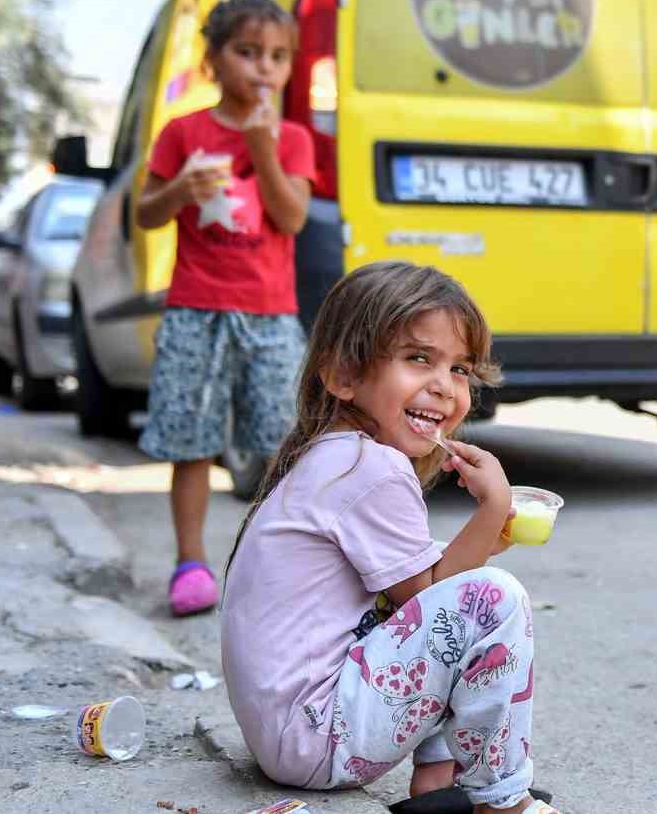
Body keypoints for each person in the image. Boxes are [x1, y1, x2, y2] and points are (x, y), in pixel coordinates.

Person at [220, 262, 559, 814]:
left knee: (453, 606)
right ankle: (502, 802)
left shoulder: (337, 455)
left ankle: (437, 781)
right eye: (418, 358)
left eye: (460, 369)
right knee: (492, 599)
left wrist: (484, 539)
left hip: (292, 734)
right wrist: (495, 505)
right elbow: (428, 600)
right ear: (343, 377)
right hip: (315, 736)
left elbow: (417, 599)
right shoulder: (369, 467)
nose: (444, 387)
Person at [134, 0, 315, 616]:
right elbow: (146, 213)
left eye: (278, 57)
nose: (264, 68)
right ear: (212, 61)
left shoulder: (291, 139)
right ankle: (190, 564)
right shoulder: (183, 133)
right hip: (195, 309)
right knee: (194, 441)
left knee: (282, 442)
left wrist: (262, 148)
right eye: (247, 53)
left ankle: (279, 568)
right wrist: (183, 187)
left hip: (268, 313)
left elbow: (290, 218)